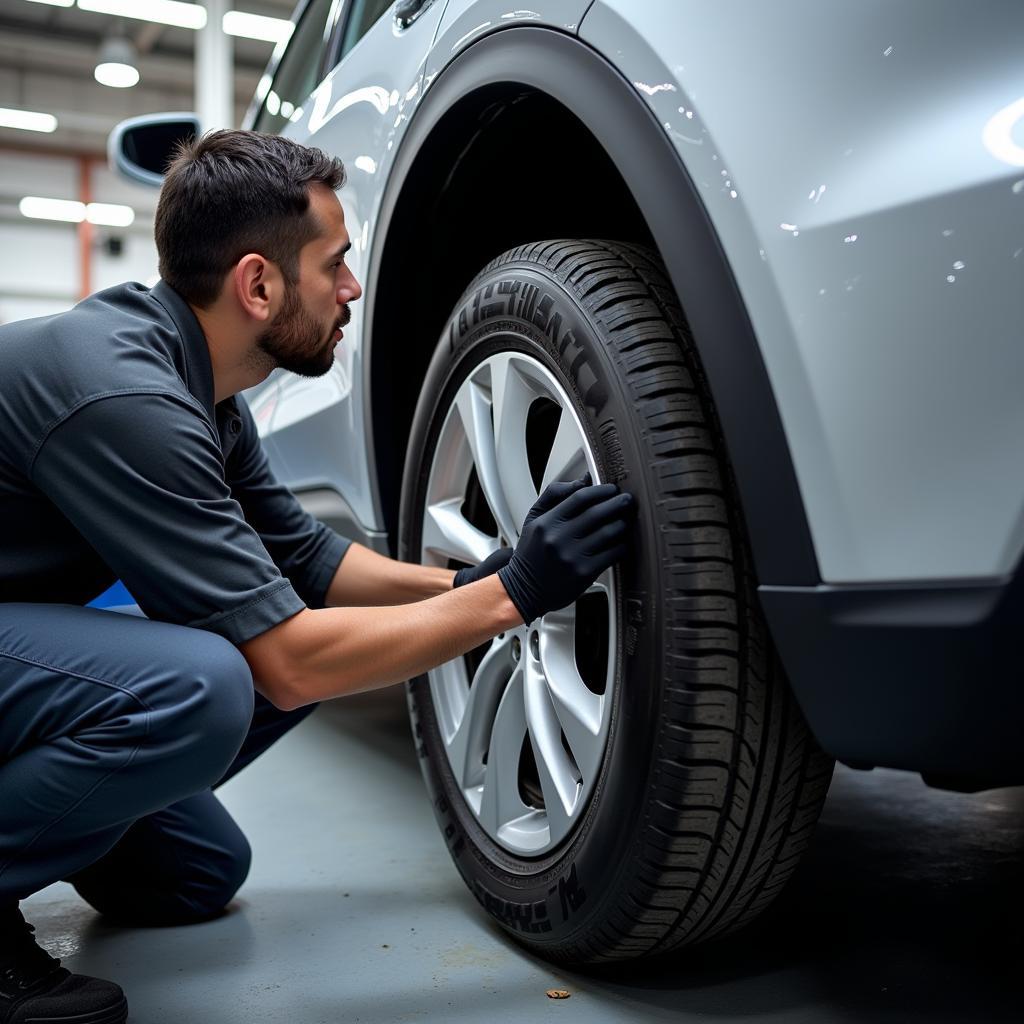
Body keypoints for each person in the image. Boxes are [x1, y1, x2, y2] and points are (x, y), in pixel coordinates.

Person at [0, 130, 635, 1023]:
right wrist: (512, 598)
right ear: (258, 284)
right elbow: (292, 661)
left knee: (196, 874)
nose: (352, 290)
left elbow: (313, 564)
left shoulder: (205, 394)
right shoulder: (126, 396)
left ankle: (49, 813)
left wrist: (470, 582)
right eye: (334, 265)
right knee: (210, 684)